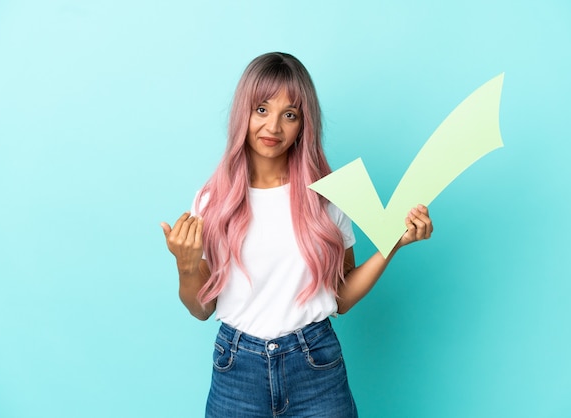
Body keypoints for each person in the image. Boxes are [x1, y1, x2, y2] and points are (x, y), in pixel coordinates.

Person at [161, 52, 433, 417]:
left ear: (304, 124)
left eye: (289, 115)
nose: (273, 127)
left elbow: (341, 298)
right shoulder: (212, 201)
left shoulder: (328, 197)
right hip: (236, 371)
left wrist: (394, 243)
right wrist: (186, 264)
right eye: (261, 109)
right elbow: (201, 308)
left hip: (315, 368)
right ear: (244, 112)